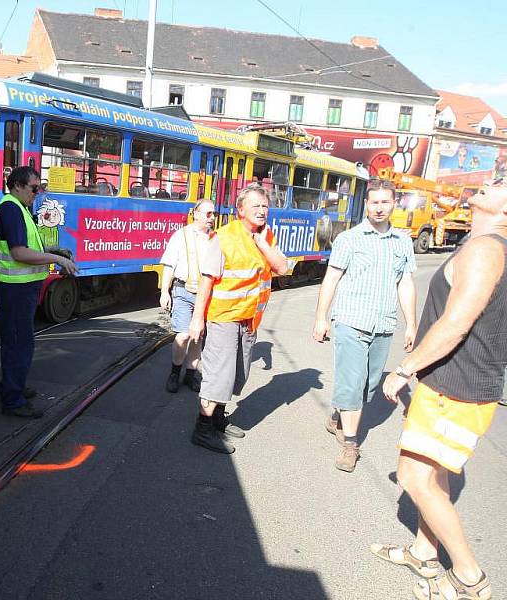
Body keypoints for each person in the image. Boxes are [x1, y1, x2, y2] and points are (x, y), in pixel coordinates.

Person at [373, 177, 507, 600]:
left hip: (455, 386)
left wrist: (405, 369)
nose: (489, 182)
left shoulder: (486, 249)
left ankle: (470, 578)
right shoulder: (484, 244)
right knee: (432, 474)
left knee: (415, 478)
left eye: (500, 184)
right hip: (458, 384)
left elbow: (455, 324)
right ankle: (423, 552)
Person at [312, 178, 417, 472]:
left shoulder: (403, 242)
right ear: (366, 204)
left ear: (394, 204)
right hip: (350, 322)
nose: (379, 208)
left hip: (383, 325)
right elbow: (331, 278)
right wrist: (321, 318)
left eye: (385, 202)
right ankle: (350, 444)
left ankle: (338, 414)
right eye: (374, 202)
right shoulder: (349, 239)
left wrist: (411, 324)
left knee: (368, 387)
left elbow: (405, 282)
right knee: (352, 383)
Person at [188, 185, 288, 453]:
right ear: (240, 209)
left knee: (236, 374)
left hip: (248, 318)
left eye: (265, 206)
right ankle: (203, 428)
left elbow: (283, 268)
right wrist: (198, 319)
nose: (261, 211)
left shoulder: (265, 236)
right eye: (255, 206)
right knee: (218, 375)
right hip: (223, 317)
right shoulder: (224, 237)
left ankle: (218, 418)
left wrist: (263, 243)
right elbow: (206, 281)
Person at [0, 166, 77, 418]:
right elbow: (19, 253)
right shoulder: (12, 209)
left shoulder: (19, 208)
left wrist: (54, 250)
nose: (37, 193)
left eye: (40, 188)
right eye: (34, 188)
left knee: (17, 341)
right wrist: (56, 259)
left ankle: (12, 387)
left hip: (20, 289)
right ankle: (13, 401)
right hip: (16, 291)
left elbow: (29, 245)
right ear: (17, 185)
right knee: (19, 344)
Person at [159, 199, 216, 393]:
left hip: (206, 294)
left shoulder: (216, 238)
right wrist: (164, 291)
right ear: (196, 214)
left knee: (197, 337)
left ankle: (190, 375)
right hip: (183, 291)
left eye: (213, 214)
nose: (212, 218)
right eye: (208, 214)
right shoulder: (180, 236)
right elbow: (169, 265)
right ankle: (175, 372)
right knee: (183, 336)